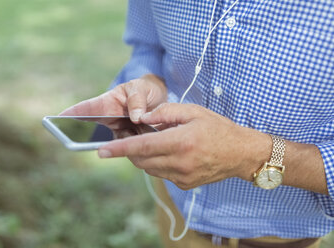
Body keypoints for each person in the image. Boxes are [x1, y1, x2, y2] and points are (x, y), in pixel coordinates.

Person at [61, 0, 334, 247]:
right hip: (173, 210)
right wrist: (150, 81)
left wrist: (251, 157)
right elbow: (147, 45)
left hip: (276, 238)